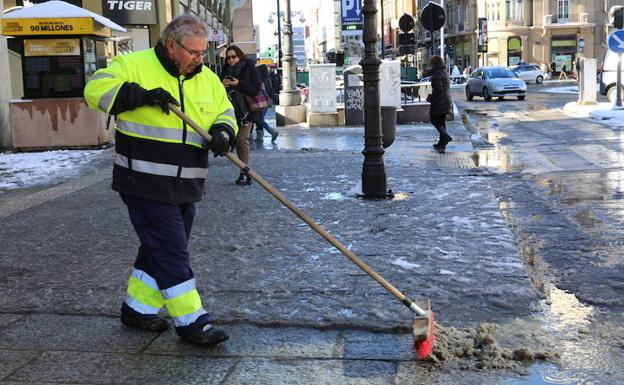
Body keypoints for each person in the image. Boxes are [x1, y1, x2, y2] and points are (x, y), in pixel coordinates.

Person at [84, 14, 237, 347]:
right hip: (144, 180)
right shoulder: (133, 65)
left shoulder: (207, 78)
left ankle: (137, 309)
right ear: (172, 45)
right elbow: (94, 89)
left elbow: (225, 111)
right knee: (171, 249)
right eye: (194, 52)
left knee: (159, 248)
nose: (200, 59)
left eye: (202, 52)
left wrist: (223, 132)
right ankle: (192, 322)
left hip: (188, 184)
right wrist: (137, 95)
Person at [220, 45, 262, 185]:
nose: (231, 60)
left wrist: (238, 83)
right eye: (228, 58)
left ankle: (245, 173)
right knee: (236, 141)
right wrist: (223, 84)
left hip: (247, 111)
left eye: (233, 57)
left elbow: (255, 89)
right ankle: (245, 172)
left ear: (239, 56)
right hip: (231, 110)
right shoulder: (226, 70)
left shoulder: (249, 68)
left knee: (241, 140)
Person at [426, 55, 453, 151]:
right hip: (445, 100)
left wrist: (432, 97)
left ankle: (445, 137)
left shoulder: (437, 73)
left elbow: (438, 89)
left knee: (434, 120)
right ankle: (442, 143)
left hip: (439, 101)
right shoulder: (443, 71)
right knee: (441, 121)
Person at [250, 64, 279, 143]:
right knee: (260, 119)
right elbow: (271, 92)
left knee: (259, 119)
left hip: (258, 102)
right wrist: (275, 100)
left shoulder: (258, 80)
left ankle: (271, 132)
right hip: (266, 102)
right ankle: (260, 136)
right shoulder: (268, 79)